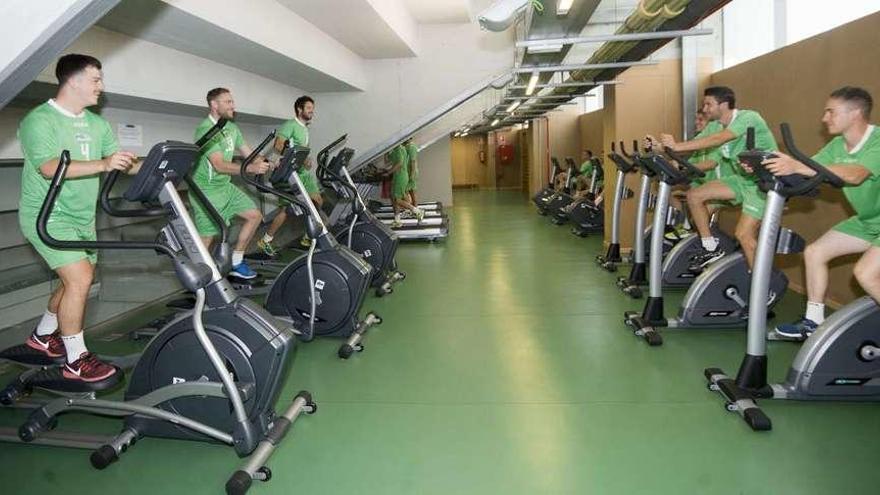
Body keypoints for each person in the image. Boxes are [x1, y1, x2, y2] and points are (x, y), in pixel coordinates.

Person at [18, 54, 136, 382]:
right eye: (95, 79)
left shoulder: (97, 124)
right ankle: (75, 359)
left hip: (83, 218)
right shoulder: (39, 120)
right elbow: (49, 167)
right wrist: (103, 164)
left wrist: (161, 165)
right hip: (47, 215)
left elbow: (120, 161)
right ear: (73, 81)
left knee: (73, 281)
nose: (101, 86)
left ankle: (42, 337)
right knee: (80, 279)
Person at [767, 87, 880, 338]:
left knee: (865, 273)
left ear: (855, 113)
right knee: (815, 252)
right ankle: (813, 322)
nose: (824, 118)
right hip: (868, 221)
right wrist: (769, 168)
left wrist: (798, 166)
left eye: (831, 111)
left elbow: (856, 174)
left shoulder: (878, 142)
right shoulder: (837, 145)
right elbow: (809, 171)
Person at [650, 86, 778, 272]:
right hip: (741, 180)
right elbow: (692, 146)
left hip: (764, 184)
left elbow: (719, 139)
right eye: (704, 104)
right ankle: (711, 248)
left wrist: (676, 147)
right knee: (694, 196)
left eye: (708, 104)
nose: (705, 109)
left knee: (743, 236)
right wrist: (659, 147)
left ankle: (762, 285)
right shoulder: (714, 125)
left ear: (724, 104)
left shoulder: (749, 118)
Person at [190, 87, 270, 280]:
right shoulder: (205, 130)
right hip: (206, 191)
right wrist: (250, 169)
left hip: (225, 187)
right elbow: (218, 165)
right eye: (228, 102)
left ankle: (236, 261)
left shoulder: (232, 128)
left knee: (255, 216)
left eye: (232, 101)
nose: (233, 105)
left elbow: (249, 154)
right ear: (214, 105)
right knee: (208, 237)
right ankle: (196, 278)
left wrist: (269, 162)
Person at [259, 96, 319, 253]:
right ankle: (265, 240)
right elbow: (278, 145)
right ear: (300, 109)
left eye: (312, 108)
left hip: (303, 173)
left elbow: (302, 150)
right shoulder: (290, 125)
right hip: (291, 173)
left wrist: (306, 160)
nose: (311, 111)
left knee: (318, 201)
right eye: (308, 108)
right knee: (286, 209)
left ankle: (308, 237)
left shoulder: (305, 128)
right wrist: (291, 156)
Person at [388, 143, 423, 227]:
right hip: (398, 176)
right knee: (394, 197)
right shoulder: (395, 150)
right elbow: (388, 160)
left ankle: (417, 211)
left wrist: (389, 172)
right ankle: (397, 220)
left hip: (401, 176)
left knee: (397, 199)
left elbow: (400, 163)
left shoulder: (400, 149)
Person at [404, 138, 420, 208]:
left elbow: (413, 161)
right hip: (408, 172)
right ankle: (415, 210)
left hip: (411, 172)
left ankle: (415, 209)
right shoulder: (406, 146)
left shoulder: (412, 147)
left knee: (410, 192)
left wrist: (412, 174)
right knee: (411, 191)